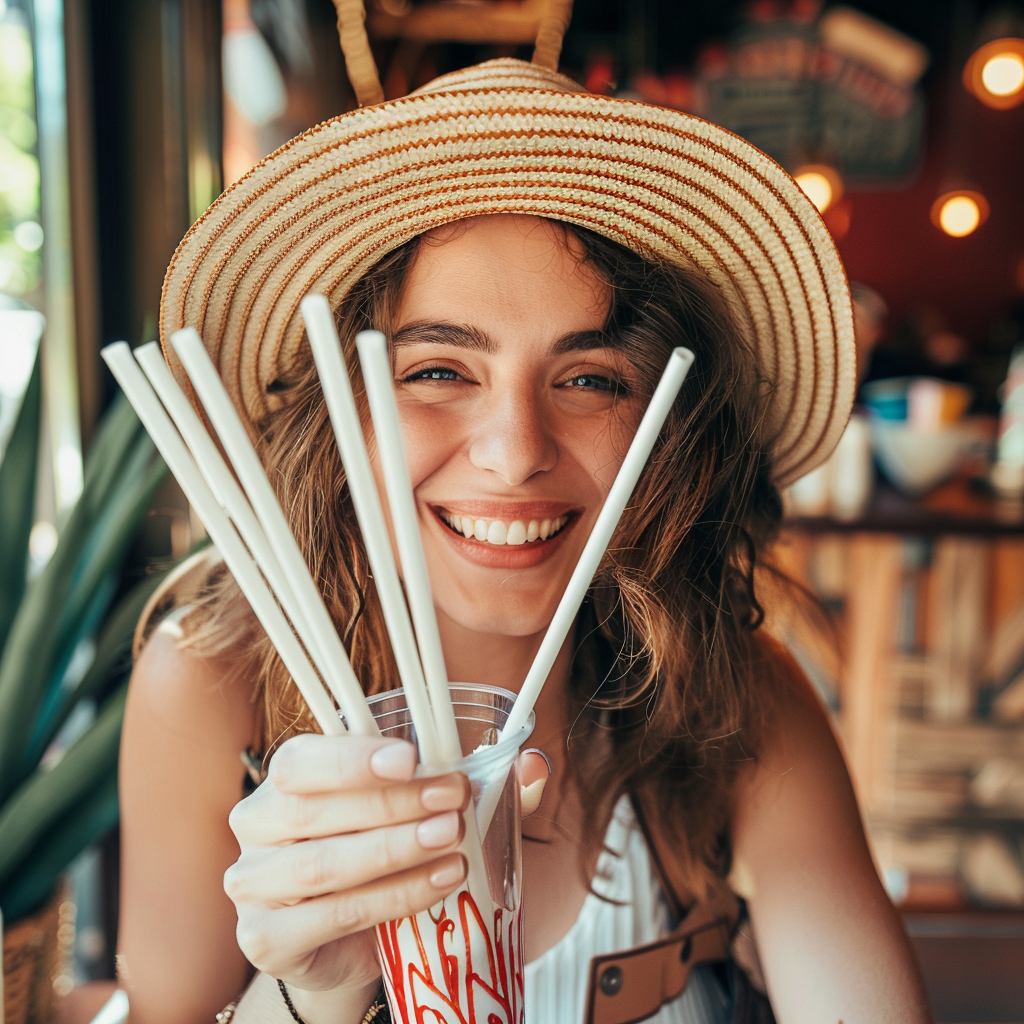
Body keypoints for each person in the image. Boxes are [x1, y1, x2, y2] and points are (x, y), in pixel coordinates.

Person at [115, 5, 933, 1024]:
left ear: (666, 429)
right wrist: (312, 995)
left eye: (589, 378)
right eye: (437, 368)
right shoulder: (212, 689)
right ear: (345, 413)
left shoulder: (732, 700)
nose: (513, 451)